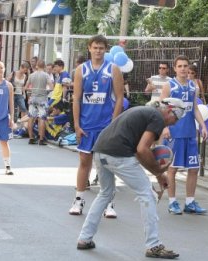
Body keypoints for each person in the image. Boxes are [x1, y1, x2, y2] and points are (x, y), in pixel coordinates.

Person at [76, 98, 185, 259]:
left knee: (105, 193)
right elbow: (142, 150)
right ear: (170, 110)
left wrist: (157, 173)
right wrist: (159, 172)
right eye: (177, 118)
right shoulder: (157, 118)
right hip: (117, 154)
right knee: (146, 194)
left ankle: (84, 238)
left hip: (100, 151)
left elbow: (137, 150)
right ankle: (153, 245)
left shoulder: (143, 112)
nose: (175, 123)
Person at [69, 35, 124, 218]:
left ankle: (109, 203)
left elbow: (119, 99)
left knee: (107, 165)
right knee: (84, 162)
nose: (98, 50)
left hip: (105, 125)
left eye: (101, 48)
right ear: (89, 48)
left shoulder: (113, 69)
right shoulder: (81, 70)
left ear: (105, 49)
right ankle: (78, 200)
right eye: (95, 47)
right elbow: (76, 98)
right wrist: (77, 125)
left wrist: (113, 124)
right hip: (87, 125)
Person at [160, 55, 208, 215]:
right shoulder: (169, 86)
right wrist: (164, 127)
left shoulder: (193, 87)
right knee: (172, 169)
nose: (183, 68)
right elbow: (161, 108)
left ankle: (190, 202)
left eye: (185, 66)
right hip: (175, 134)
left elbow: (195, 108)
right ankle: (172, 202)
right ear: (174, 68)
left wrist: (202, 126)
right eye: (179, 66)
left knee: (193, 168)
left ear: (189, 68)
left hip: (190, 134)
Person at [25, 60, 52, 145]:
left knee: (31, 118)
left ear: (36, 66)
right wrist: (46, 92)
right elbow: (51, 87)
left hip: (33, 98)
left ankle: (31, 138)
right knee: (42, 119)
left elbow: (26, 87)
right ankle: (41, 139)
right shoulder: (46, 75)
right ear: (44, 67)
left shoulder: (31, 75)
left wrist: (31, 92)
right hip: (42, 99)